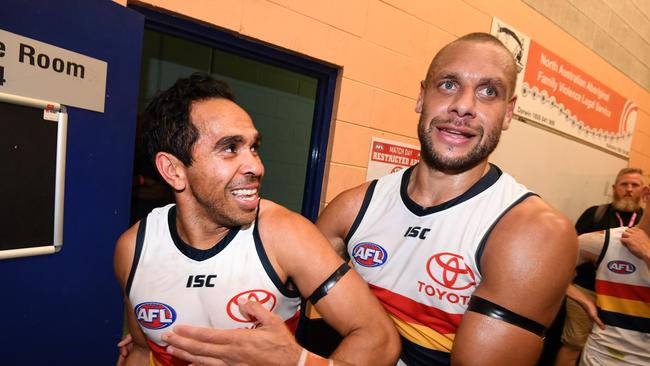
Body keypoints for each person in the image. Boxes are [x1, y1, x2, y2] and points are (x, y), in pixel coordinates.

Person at [315, 32, 578, 365]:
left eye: (488, 91)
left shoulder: (533, 231)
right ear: (422, 97)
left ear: (508, 113)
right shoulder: (353, 207)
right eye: (449, 85)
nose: (464, 106)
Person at [113, 73, 400, 366]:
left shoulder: (285, 234)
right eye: (229, 148)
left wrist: (298, 361)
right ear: (173, 170)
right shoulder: (134, 249)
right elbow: (140, 349)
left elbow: (380, 340)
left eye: (253, 147)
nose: (256, 165)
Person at [555, 168, 645, 366]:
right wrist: (579, 296)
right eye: (624, 184)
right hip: (587, 290)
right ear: (614, 188)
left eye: (634, 185)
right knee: (574, 343)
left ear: (643, 191)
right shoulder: (596, 213)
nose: (629, 189)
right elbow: (564, 253)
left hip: (628, 299)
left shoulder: (643, 221)